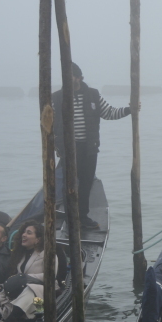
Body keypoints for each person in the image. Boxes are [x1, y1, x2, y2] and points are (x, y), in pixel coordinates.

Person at [52, 62, 133, 230]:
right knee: (69, 183)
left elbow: (109, 113)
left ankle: (83, 216)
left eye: (71, 76)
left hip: (89, 147)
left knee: (87, 182)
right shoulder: (57, 97)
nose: (68, 79)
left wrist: (129, 110)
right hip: (68, 148)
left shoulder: (93, 95)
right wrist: (55, 143)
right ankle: (71, 218)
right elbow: (49, 123)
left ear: (79, 78)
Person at [0, 221, 65, 322]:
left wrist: (25, 279)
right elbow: (15, 278)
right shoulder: (21, 255)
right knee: (19, 291)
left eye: (29, 233)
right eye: (23, 232)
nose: (23, 235)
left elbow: (50, 275)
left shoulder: (48, 253)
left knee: (30, 289)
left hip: (46, 296)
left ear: (38, 239)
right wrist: (2, 286)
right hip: (28, 295)